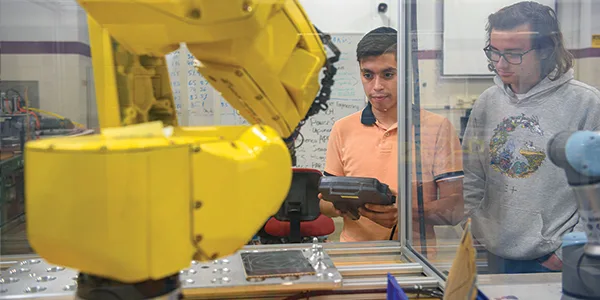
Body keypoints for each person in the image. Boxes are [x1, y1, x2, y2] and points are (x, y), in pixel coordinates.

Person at [462, 1, 600, 274]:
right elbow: (472, 173)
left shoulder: (587, 104)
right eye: (494, 52)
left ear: (546, 51)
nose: (500, 64)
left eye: (513, 54)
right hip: (488, 250)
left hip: (551, 259)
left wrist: (564, 253)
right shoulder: (487, 102)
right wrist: (474, 226)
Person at [319, 27, 464, 254]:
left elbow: (454, 208)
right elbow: (323, 203)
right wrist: (345, 205)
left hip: (416, 260)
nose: (376, 86)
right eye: (368, 75)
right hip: (353, 259)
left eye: (388, 74)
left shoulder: (437, 128)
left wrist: (406, 212)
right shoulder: (342, 128)